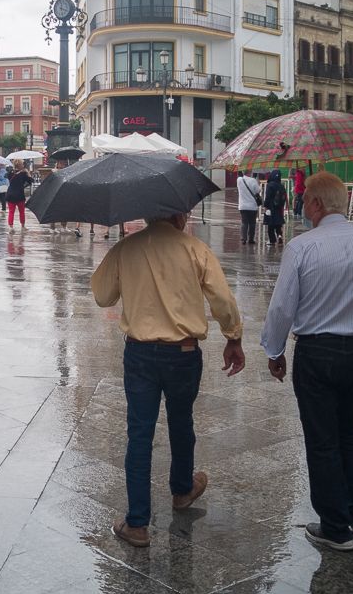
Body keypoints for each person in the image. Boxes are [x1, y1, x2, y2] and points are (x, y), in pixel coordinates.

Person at [91, 212, 245, 548]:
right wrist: (233, 336)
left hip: (140, 355)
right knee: (181, 421)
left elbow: (102, 296)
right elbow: (222, 298)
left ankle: (137, 524)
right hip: (184, 354)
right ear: (180, 214)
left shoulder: (126, 248)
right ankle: (181, 490)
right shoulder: (195, 249)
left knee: (140, 434)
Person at [260, 171, 353, 552]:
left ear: (315, 204)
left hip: (317, 351)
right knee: (350, 428)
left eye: (304, 199)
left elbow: (283, 305)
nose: (302, 204)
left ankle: (334, 526)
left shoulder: (302, 247)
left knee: (322, 438)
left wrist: (274, 349)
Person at [5, 158, 33, 229]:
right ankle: (23, 226)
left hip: (10, 195)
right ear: (21, 165)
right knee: (21, 212)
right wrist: (28, 173)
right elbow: (30, 181)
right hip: (20, 195)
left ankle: (11, 227)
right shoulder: (23, 174)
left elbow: (7, 175)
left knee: (11, 212)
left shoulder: (10, 173)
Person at [236, 169, 261, 245]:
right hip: (252, 206)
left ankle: (243, 239)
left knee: (244, 222)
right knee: (252, 223)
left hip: (243, 206)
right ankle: (251, 239)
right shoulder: (253, 180)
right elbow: (258, 191)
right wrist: (258, 183)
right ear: (250, 172)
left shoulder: (239, 180)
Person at [263, 170, 288, 245]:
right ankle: (279, 236)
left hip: (271, 207)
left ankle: (272, 240)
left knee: (271, 225)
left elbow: (267, 197)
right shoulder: (281, 185)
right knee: (278, 224)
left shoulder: (270, 185)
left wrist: (266, 205)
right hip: (279, 208)